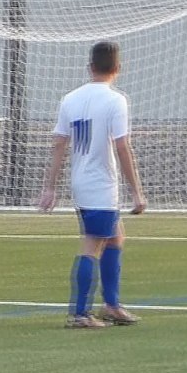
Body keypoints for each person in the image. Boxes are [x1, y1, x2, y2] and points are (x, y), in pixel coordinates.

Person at [39, 41, 145, 329]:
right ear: (117, 69)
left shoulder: (70, 98)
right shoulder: (115, 101)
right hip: (101, 185)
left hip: (81, 183)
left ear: (90, 67)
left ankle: (111, 305)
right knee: (92, 245)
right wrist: (136, 191)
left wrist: (50, 187)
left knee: (115, 237)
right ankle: (80, 314)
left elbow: (59, 143)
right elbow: (122, 147)